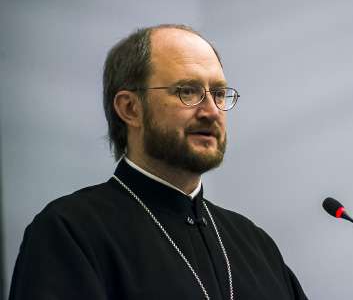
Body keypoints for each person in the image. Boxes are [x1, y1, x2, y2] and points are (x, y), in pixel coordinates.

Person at [9, 24, 308, 300]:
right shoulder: (70, 232)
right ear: (130, 108)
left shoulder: (256, 244)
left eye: (218, 93)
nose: (212, 111)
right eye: (188, 91)